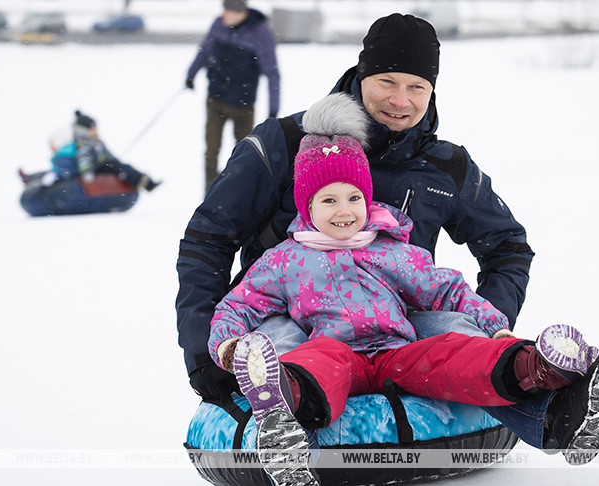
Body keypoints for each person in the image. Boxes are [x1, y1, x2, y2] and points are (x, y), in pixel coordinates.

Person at [209, 93, 599, 485]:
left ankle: (537, 366)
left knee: (450, 351)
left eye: (354, 198)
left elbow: (447, 292)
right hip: (337, 351)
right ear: (307, 205)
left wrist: (497, 328)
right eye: (329, 200)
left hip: (397, 352)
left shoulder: (391, 248)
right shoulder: (285, 259)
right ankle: (284, 408)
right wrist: (228, 348)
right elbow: (237, 306)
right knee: (319, 361)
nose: (345, 211)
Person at [176, 13, 534, 406]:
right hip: (291, 325)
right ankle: (281, 404)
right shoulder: (286, 143)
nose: (401, 101)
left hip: (400, 333)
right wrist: (203, 355)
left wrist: (489, 324)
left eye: (417, 86)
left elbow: (508, 246)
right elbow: (208, 239)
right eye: (387, 82)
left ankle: (541, 388)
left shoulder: (444, 166)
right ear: (360, 76)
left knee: (458, 335)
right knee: (283, 349)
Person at [184, 0, 280, 193]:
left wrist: (273, 107)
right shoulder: (218, 25)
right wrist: (191, 75)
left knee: (244, 152)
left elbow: (272, 72)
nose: (225, 15)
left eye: (230, 11)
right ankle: (209, 194)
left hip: (243, 105)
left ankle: (239, 194)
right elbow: (204, 52)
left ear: (241, 13)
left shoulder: (259, 33)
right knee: (211, 151)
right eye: (224, 10)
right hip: (215, 100)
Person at [19, 110, 161, 192]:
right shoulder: (84, 142)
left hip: (103, 165)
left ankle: (144, 182)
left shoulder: (95, 141)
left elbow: (107, 154)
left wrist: (114, 159)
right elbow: (84, 158)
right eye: (93, 128)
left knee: (121, 166)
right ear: (86, 129)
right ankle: (30, 178)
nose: (96, 130)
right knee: (120, 167)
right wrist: (87, 174)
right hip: (95, 169)